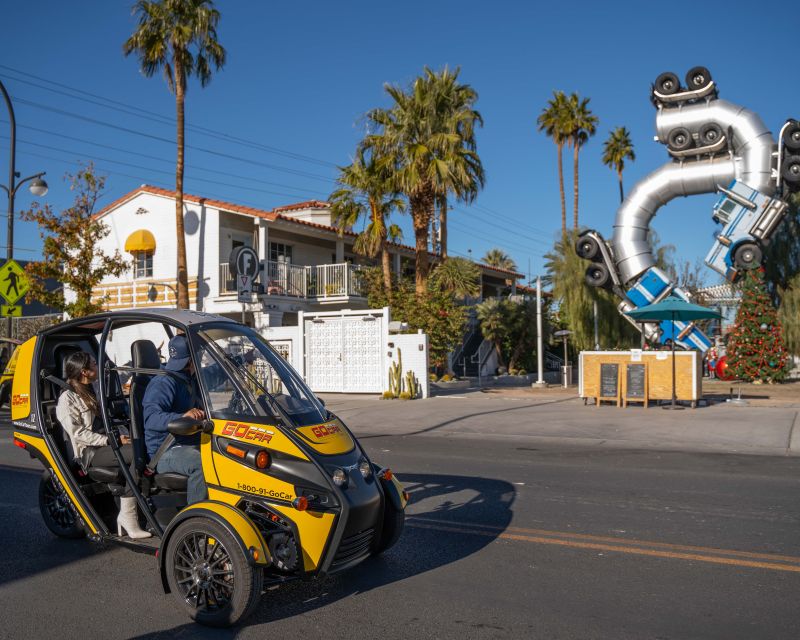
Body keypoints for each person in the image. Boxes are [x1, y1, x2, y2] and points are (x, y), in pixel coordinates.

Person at [56, 351, 151, 539]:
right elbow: (78, 434)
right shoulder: (67, 399)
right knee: (137, 454)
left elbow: (117, 375)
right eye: (94, 363)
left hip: (112, 442)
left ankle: (146, 508)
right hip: (91, 451)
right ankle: (128, 515)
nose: (98, 365)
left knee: (148, 448)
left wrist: (141, 360)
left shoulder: (96, 386)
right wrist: (111, 440)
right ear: (84, 371)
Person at [142, 335, 207, 505]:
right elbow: (151, 418)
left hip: (189, 441)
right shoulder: (163, 382)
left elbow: (213, 375)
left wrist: (242, 359)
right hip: (166, 450)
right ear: (191, 360)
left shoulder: (189, 378)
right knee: (202, 464)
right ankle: (197, 521)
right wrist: (183, 416)